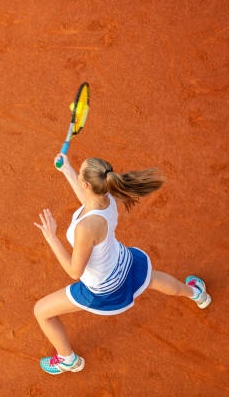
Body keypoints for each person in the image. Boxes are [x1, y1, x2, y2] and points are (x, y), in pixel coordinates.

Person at [33, 153, 211, 375]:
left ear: (86, 184)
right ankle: (197, 294)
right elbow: (88, 202)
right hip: (124, 264)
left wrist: (51, 237)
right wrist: (67, 170)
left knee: (41, 311)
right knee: (153, 278)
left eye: (80, 173)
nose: (78, 173)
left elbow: (74, 271)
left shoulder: (85, 229)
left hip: (105, 290)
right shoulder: (107, 199)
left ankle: (68, 360)